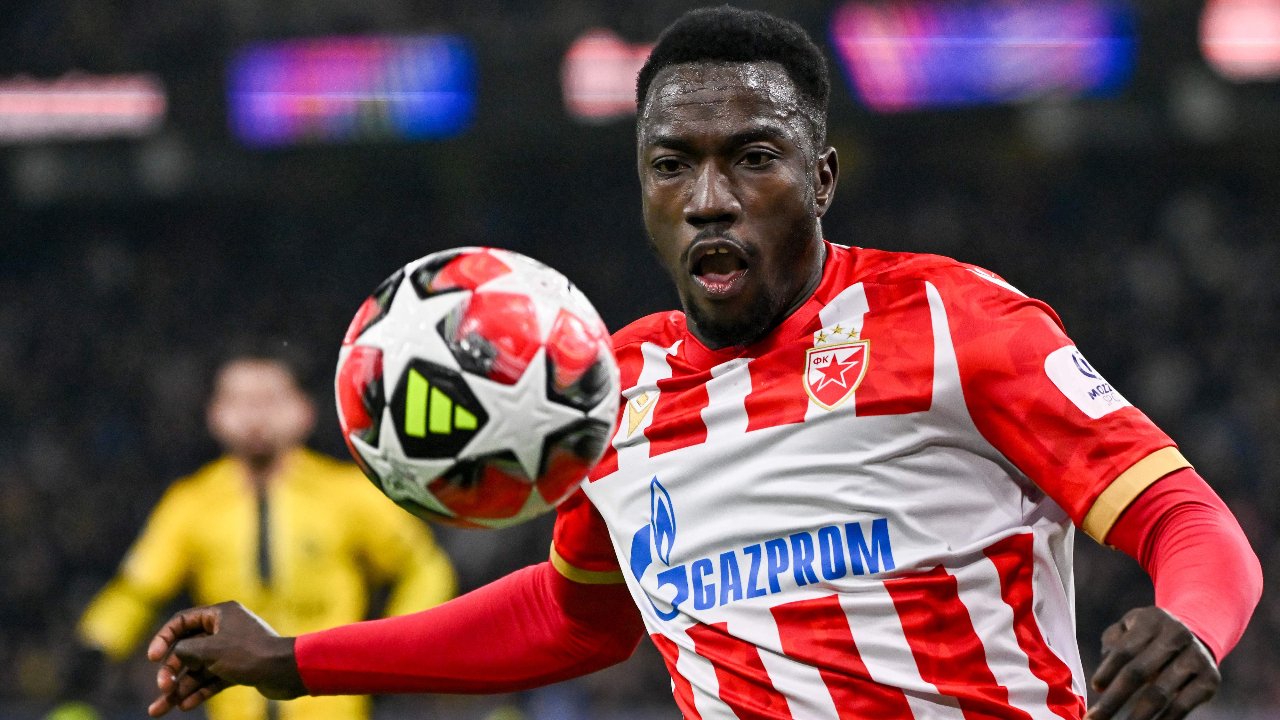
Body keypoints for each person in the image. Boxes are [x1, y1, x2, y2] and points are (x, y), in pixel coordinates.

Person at [143, 8, 1261, 720]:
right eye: (671, 164)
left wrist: (1191, 625)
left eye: (753, 160)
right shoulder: (603, 386)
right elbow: (575, 614)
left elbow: (1185, 523)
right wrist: (293, 660)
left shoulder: (953, 320)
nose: (709, 199)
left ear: (820, 178)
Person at [73, 352, 457, 720]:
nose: (255, 415)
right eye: (239, 400)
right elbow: (138, 590)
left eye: (270, 399)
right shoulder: (191, 503)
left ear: (303, 410)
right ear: (215, 413)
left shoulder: (346, 493)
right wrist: (95, 646)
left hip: (333, 709)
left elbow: (424, 567)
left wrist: (394, 646)